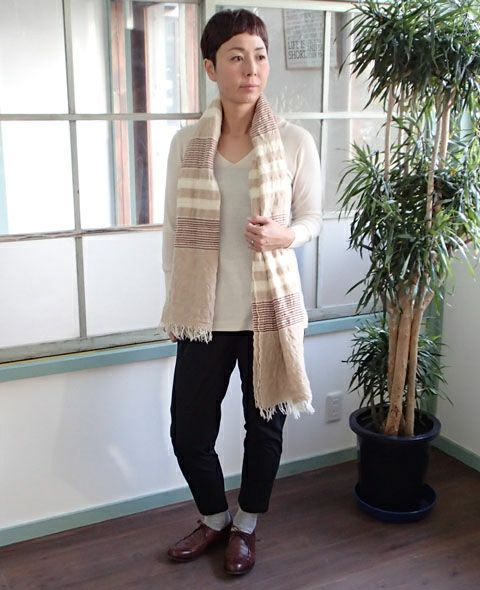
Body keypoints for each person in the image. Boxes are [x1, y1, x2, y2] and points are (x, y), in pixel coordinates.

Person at [160, 8, 322, 576]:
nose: (251, 68)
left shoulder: (294, 141)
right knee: (188, 431)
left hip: (268, 315)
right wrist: (177, 300)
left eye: (259, 56)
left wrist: (286, 235)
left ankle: (246, 526)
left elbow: (312, 219)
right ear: (211, 67)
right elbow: (173, 232)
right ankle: (214, 518)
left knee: (265, 430)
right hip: (203, 315)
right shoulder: (187, 144)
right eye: (236, 56)